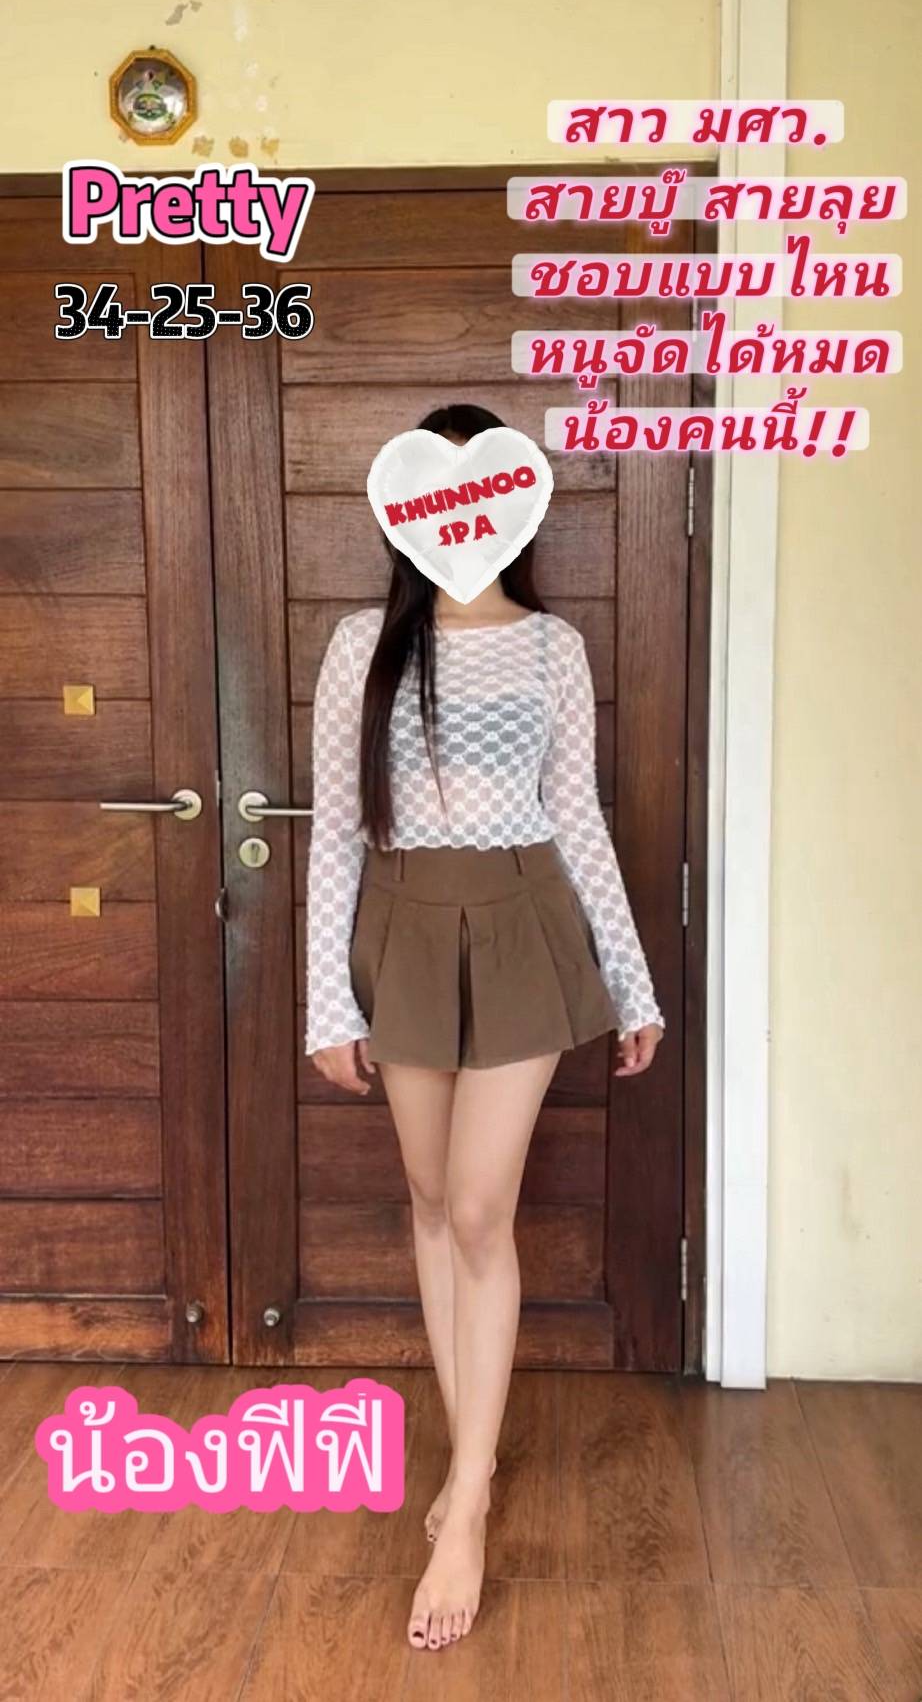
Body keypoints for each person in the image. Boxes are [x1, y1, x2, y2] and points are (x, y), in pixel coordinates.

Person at [305, 402, 664, 1652]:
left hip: (522, 921)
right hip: (401, 925)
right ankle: (477, 1459)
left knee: (474, 1208)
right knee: (424, 1198)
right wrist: (325, 999)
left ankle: (463, 1504)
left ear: (512, 509)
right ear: (406, 511)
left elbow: (580, 818)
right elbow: (336, 831)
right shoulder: (362, 646)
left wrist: (632, 982)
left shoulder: (552, 646)